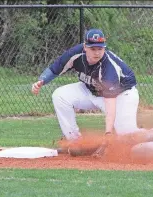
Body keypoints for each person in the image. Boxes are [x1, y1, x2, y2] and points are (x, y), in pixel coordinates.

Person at [31, 28, 141, 156]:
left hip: (122, 95)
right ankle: (75, 142)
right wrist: (41, 81)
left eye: (100, 49)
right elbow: (56, 68)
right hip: (91, 90)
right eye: (93, 48)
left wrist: (108, 132)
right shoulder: (76, 54)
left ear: (104, 48)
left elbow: (110, 103)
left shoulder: (108, 68)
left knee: (127, 136)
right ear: (85, 47)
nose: (97, 52)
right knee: (60, 95)